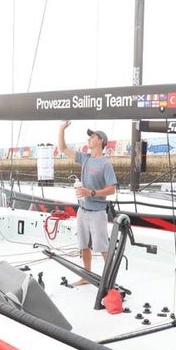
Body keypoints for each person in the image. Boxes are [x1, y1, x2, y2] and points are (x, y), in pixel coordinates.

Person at [57, 121, 116, 285]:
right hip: (82, 210)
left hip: (97, 212)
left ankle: (109, 280)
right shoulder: (85, 158)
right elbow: (62, 148)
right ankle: (86, 276)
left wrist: (91, 192)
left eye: (93, 136)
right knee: (84, 245)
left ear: (101, 141)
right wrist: (62, 129)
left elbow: (112, 189)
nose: (89, 138)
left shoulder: (106, 164)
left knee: (102, 247)